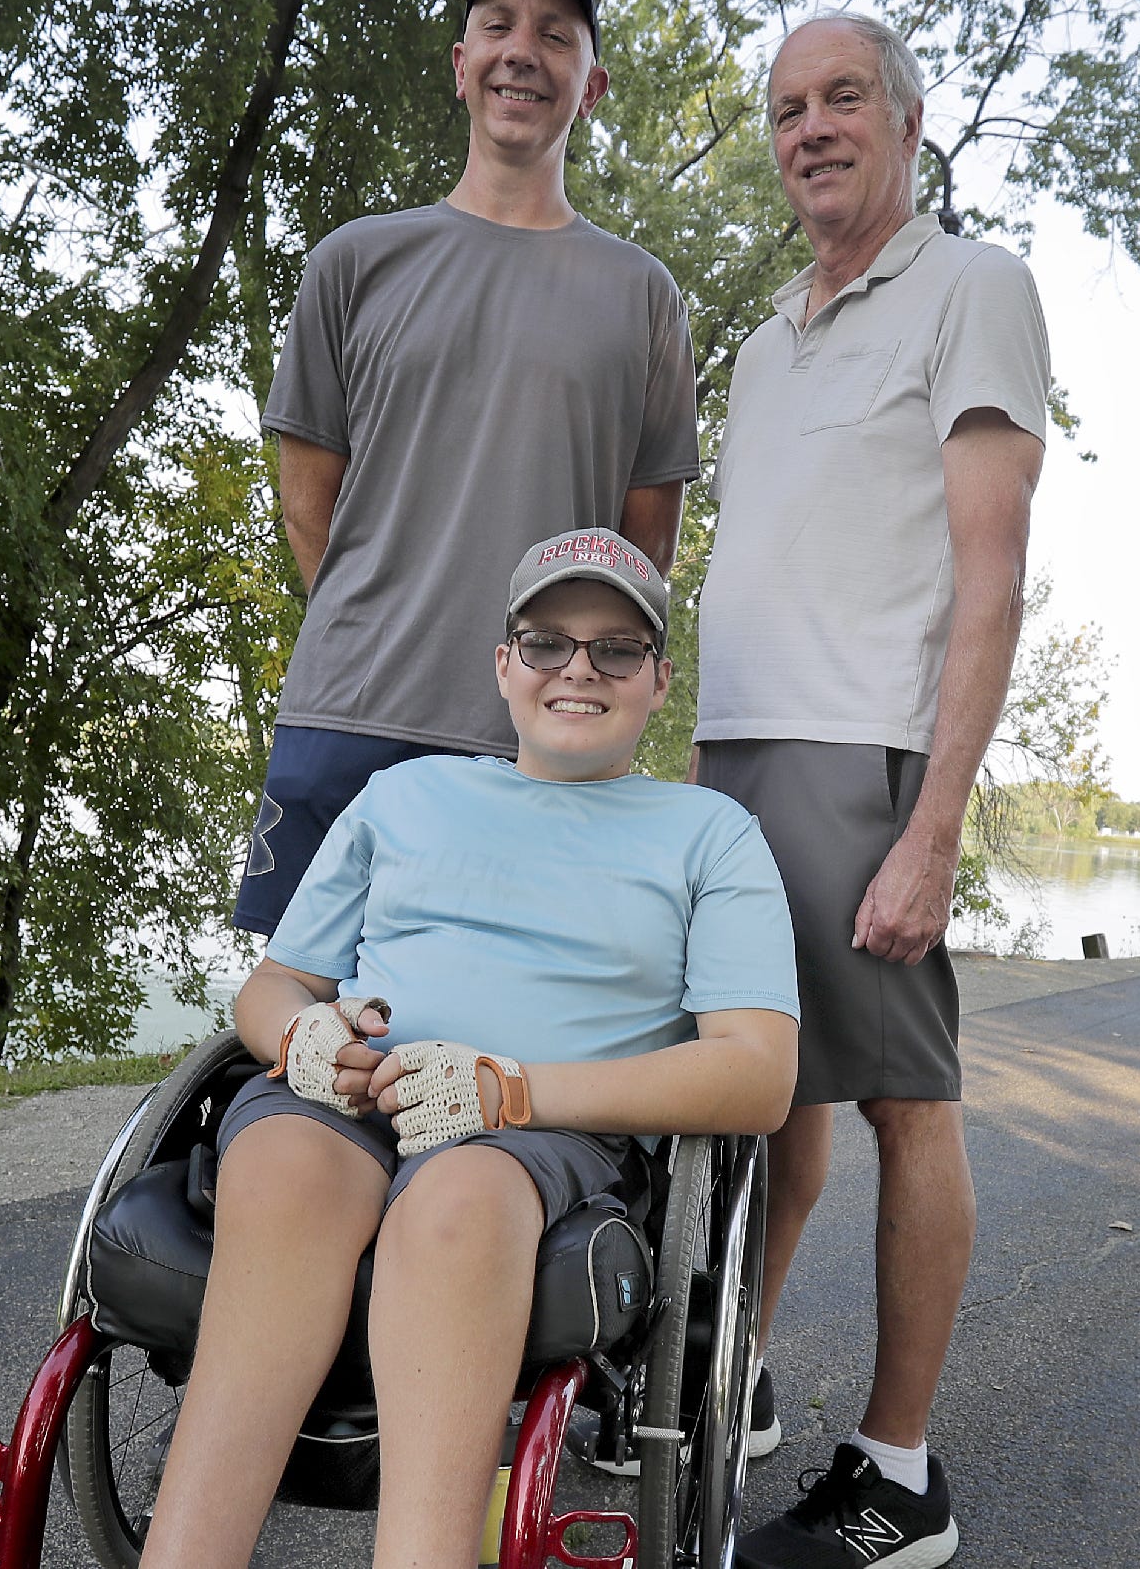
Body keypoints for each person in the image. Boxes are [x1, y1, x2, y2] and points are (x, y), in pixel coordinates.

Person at [139, 530, 801, 1569]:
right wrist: (302, 1036)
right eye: (546, 641)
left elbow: (757, 1075)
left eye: (615, 649)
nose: (577, 667)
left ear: (658, 682)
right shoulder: (402, 796)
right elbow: (273, 985)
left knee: (457, 1204)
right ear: (504, 666)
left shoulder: (710, 834)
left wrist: (509, 1091)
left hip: (543, 1136)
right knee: (278, 1163)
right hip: (350, 1094)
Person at [691, 12, 1052, 1569]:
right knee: (767, 1084)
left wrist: (932, 825)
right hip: (731, 750)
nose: (810, 127)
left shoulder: (971, 286)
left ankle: (896, 1478)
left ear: (907, 121)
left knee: (903, 1098)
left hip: (864, 751)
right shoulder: (769, 341)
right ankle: (732, 1376)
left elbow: (992, 567)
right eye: (786, 108)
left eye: (843, 97)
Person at [232, 0, 700, 941]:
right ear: (460, 66)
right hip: (348, 714)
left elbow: (641, 549)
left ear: (592, 85)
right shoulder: (354, 264)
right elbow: (308, 505)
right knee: (313, 1044)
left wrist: (556, 678)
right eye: (497, 25)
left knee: (497, 1062)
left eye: (554, 34)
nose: (521, 50)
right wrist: (400, 634)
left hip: (538, 738)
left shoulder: (644, 297)